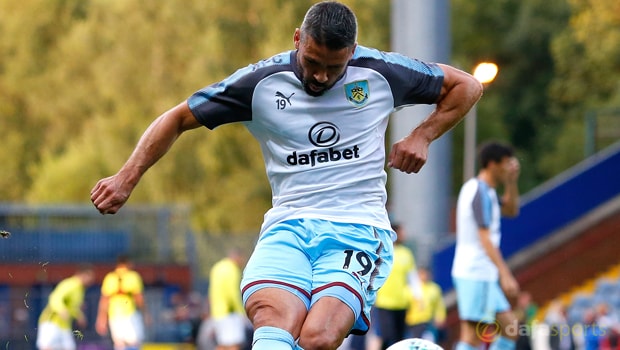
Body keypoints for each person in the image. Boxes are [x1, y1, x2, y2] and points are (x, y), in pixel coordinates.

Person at [90, 1, 483, 349]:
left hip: (358, 228)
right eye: (313, 63)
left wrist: (423, 135)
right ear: (297, 38)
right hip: (288, 225)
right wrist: (127, 177)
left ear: (352, 53)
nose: (322, 77)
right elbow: (177, 117)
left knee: (319, 338)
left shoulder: (381, 72)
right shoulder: (259, 83)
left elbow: (466, 85)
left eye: (335, 67)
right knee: (273, 329)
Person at [451, 141, 521, 350]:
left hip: (484, 274)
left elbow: (511, 210)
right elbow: (484, 237)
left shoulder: (487, 191)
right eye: (506, 163)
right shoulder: (478, 191)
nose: (510, 167)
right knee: (472, 336)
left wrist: (511, 182)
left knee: (510, 330)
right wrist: (505, 273)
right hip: (475, 272)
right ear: (492, 164)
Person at [373, 223, 420, 349]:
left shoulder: (406, 253)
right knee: (387, 336)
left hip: (402, 302)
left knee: (399, 338)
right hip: (384, 302)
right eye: (401, 232)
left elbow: (412, 277)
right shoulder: (382, 250)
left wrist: (418, 296)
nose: (404, 235)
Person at [36, 264, 95, 350]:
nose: (91, 280)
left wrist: (79, 316)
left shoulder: (80, 289)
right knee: (47, 347)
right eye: (89, 277)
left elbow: (72, 307)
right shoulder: (70, 284)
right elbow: (55, 298)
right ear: (81, 274)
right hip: (52, 322)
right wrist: (61, 310)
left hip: (64, 325)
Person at [96, 255, 147, 350]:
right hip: (130, 314)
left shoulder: (109, 277)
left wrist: (101, 318)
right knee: (134, 341)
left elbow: (104, 300)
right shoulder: (133, 276)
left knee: (119, 343)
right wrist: (145, 313)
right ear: (128, 263)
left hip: (114, 315)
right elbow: (139, 298)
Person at [208, 248, 250, 350]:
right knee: (234, 344)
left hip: (217, 312)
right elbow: (233, 293)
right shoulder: (232, 269)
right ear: (237, 258)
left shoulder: (217, 267)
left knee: (222, 344)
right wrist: (242, 312)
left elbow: (211, 291)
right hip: (229, 313)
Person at [405, 267, 446, 344]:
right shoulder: (411, 288)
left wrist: (440, 317)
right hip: (413, 322)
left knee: (428, 342)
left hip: (427, 322)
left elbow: (439, 305)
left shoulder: (434, 288)